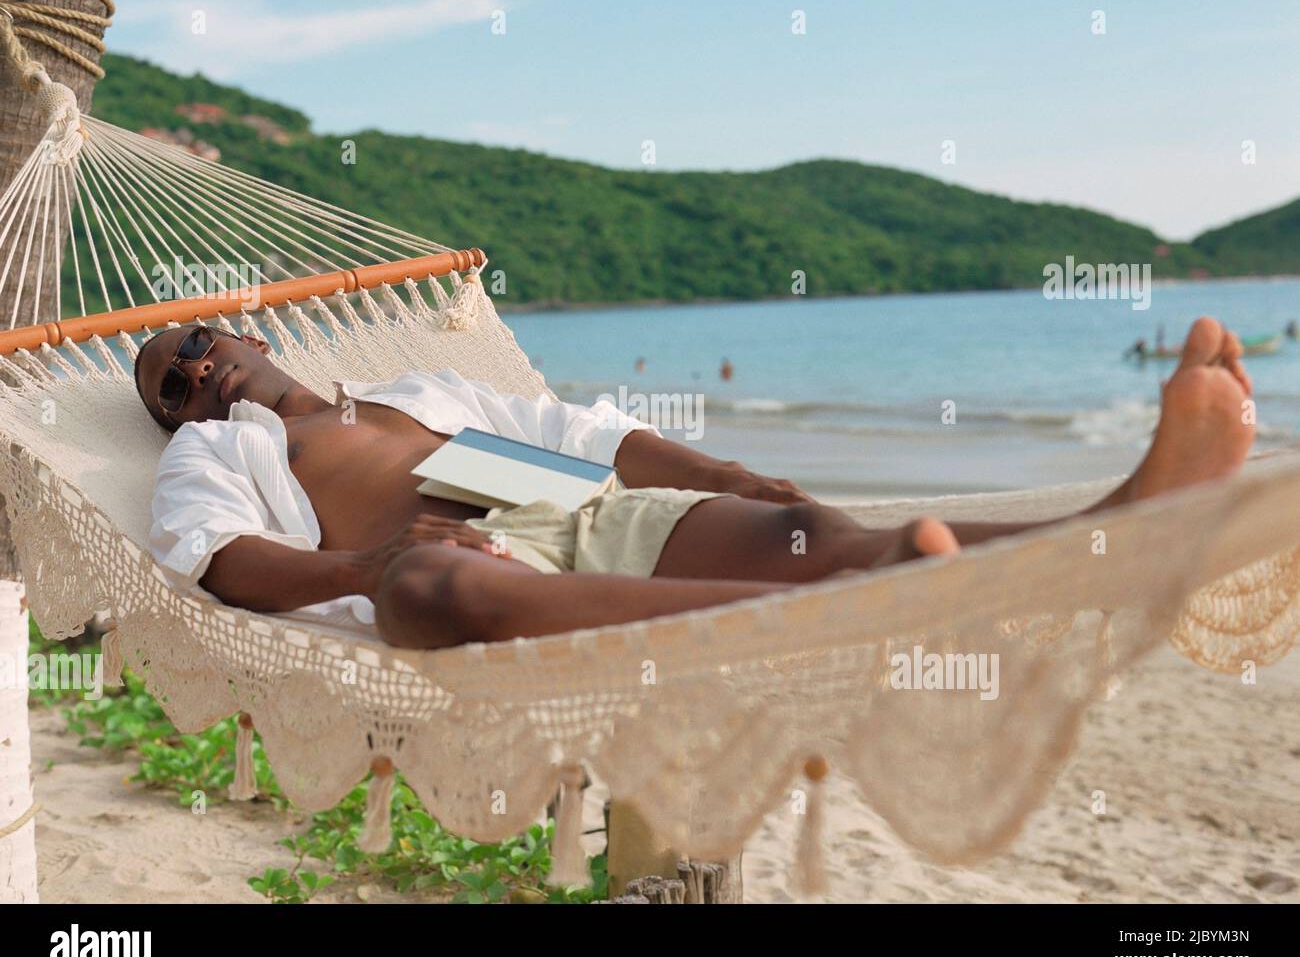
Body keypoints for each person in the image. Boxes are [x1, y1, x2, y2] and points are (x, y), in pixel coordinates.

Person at [135, 318, 1254, 649]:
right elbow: (221, 561)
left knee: (816, 528)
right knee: (430, 593)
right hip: (468, 554)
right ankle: (857, 618)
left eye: (191, 344)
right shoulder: (222, 455)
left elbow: (587, 438)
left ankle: (1122, 522)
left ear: (240, 328)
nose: (194, 371)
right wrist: (367, 566)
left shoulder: (419, 386)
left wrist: (733, 473)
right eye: (174, 386)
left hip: (562, 503)